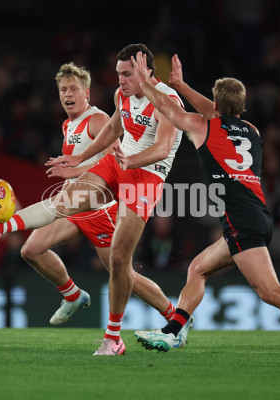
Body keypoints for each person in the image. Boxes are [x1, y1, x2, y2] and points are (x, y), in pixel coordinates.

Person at [0, 44, 184, 355]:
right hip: (118, 170)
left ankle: (158, 324)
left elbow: (163, 149)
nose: (121, 80)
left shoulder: (167, 101)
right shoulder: (117, 98)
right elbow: (112, 130)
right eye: (119, 73)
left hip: (145, 177)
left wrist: (126, 163)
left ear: (147, 71)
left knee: (121, 266)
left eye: (128, 74)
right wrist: (78, 160)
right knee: (60, 207)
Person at [130, 52, 280, 363]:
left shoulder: (200, 126)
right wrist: (183, 85)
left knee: (269, 291)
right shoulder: (252, 131)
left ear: (215, 106)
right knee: (198, 268)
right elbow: (219, 112)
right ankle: (171, 332)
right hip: (257, 214)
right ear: (242, 107)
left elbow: (166, 107)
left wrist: (150, 83)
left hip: (241, 221)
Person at [18, 62, 187, 345]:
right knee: (31, 249)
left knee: (123, 273)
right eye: (62, 89)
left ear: (87, 93)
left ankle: (175, 317)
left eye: (73, 89)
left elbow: (113, 158)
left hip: (99, 209)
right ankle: (73, 295)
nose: (67, 94)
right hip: (77, 207)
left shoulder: (96, 119)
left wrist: (82, 177)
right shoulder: (68, 124)